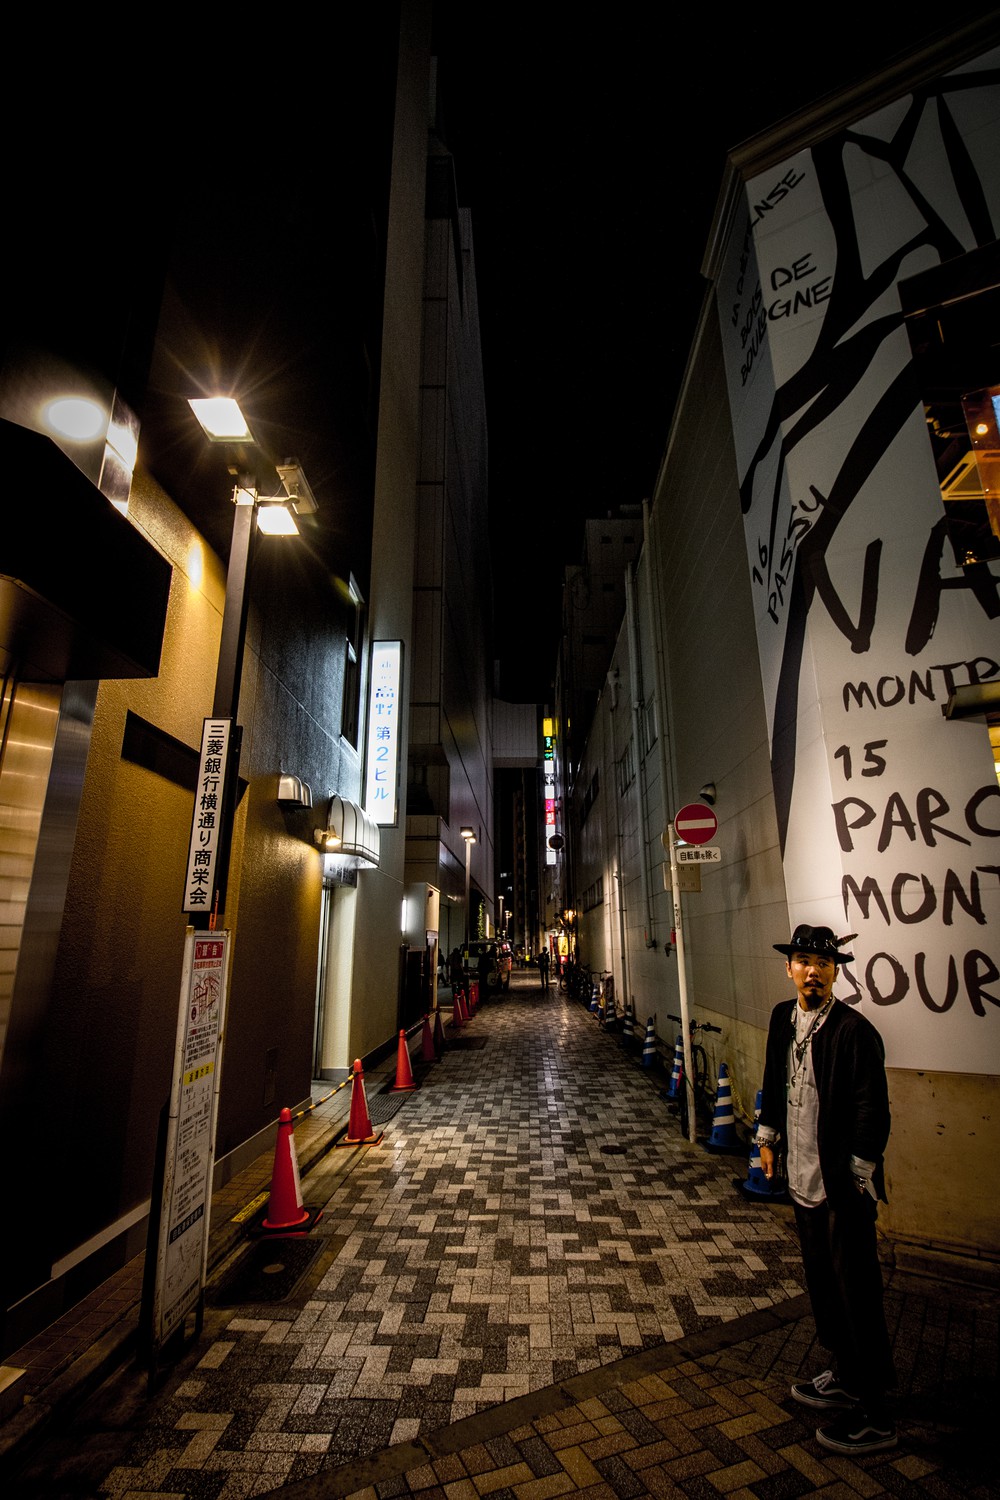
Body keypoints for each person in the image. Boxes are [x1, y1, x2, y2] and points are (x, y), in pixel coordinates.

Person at [757, 924, 896, 1456]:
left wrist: (859, 1174)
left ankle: (876, 1410)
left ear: (835, 971)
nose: (812, 970)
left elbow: (872, 1108)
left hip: (842, 1187)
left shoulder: (853, 1031)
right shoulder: (781, 1019)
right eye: (802, 960)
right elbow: (775, 1080)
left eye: (822, 962)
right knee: (822, 1283)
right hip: (802, 1180)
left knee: (857, 1289)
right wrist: (766, 1138)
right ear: (788, 968)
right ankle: (844, 1373)